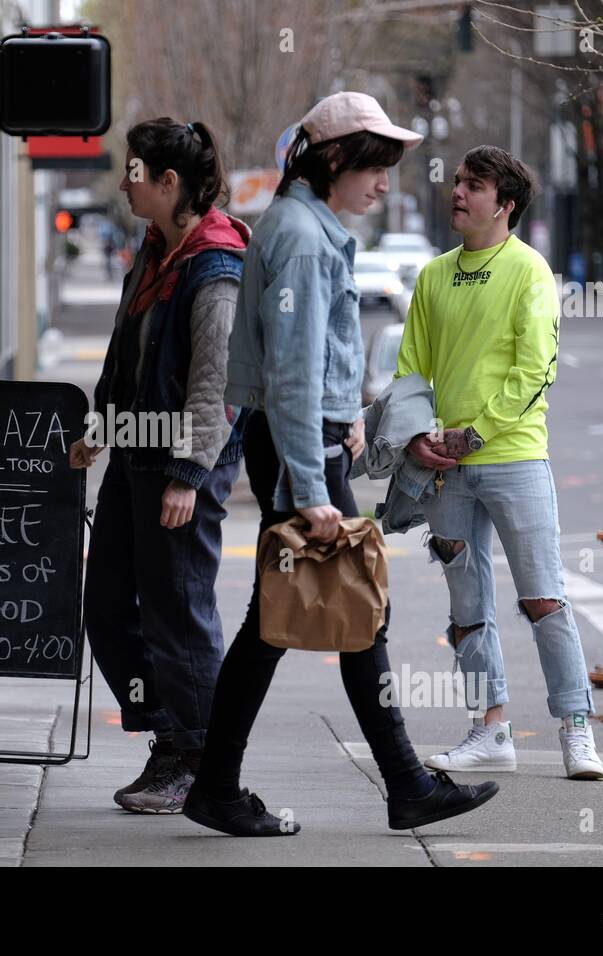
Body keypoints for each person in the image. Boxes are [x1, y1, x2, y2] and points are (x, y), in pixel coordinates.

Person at [184, 93, 500, 837]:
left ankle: (231, 785)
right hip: (300, 453)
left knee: (313, 617)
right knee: (347, 612)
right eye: (375, 165)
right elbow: (289, 374)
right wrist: (305, 483)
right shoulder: (299, 235)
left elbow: (308, 363)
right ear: (333, 161)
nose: (385, 182)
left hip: (313, 442)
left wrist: (348, 415)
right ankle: (399, 784)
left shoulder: (306, 227)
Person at [396, 144, 603, 780]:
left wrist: (474, 435)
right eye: (458, 181)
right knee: (467, 605)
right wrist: (414, 438)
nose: (457, 192)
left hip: (514, 458)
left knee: (544, 598)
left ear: (505, 204)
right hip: (445, 469)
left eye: (474, 185)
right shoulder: (433, 276)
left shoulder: (530, 271)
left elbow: (534, 369)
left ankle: (576, 731)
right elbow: (411, 372)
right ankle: (492, 730)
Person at [69, 118, 251, 813]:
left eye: (135, 171)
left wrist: (189, 475)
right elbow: (131, 355)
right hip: (138, 451)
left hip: (183, 464)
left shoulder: (216, 264)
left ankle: (200, 758)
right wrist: (103, 426)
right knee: (110, 608)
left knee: (178, 612)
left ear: (170, 183)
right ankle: (172, 738)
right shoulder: (155, 251)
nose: (124, 182)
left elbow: (216, 381)